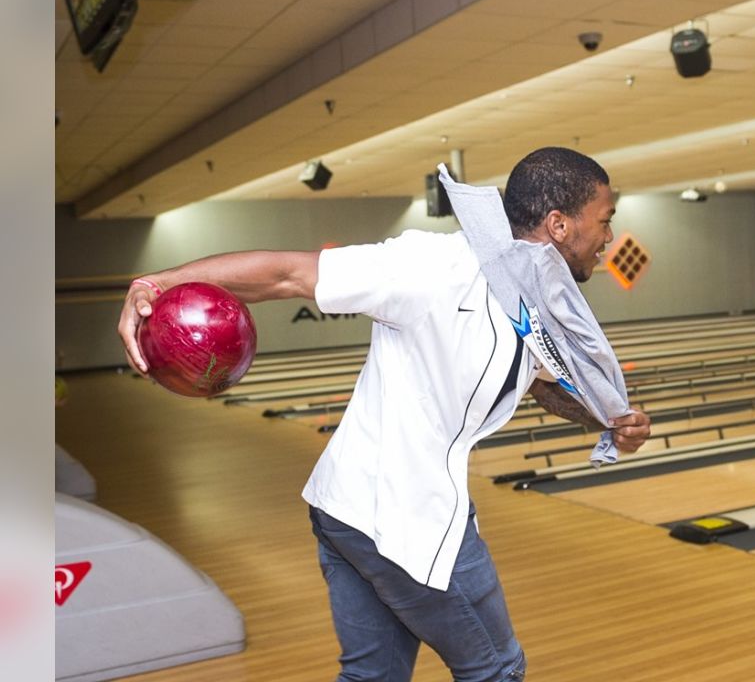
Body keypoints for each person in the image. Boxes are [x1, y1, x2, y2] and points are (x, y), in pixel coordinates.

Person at [117, 147, 652, 682]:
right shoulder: (434, 265)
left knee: (373, 677)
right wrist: (156, 284)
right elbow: (289, 275)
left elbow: (537, 382)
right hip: (403, 519)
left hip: (346, 511)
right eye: (604, 221)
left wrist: (603, 420)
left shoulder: (529, 296)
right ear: (559, 224)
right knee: (496, 670)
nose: (609, 237)